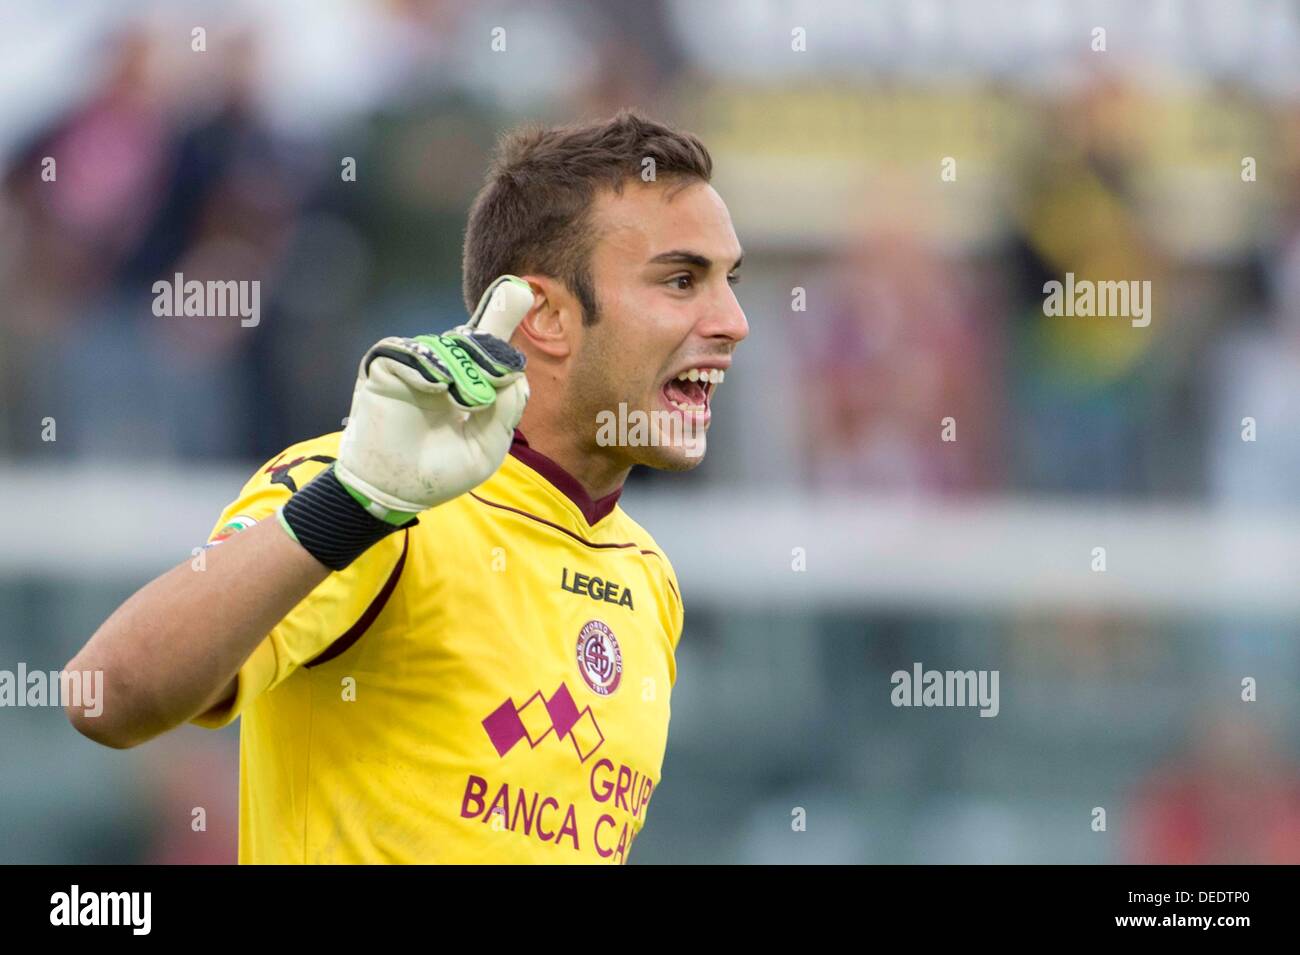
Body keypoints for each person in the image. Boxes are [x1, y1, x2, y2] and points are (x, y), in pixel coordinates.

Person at [63, 109, 749, 864]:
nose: (733, 321)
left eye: (729, 281)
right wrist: (355, 501)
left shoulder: (647, 577)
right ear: (547, 315)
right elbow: (105, 697)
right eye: (683, 279)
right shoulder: (374, 498)